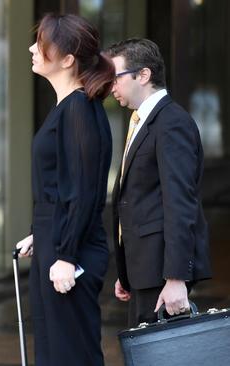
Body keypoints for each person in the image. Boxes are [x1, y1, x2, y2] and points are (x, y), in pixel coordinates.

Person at [15, 14, 114, 365]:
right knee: (54, 350)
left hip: (69, 252)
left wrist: (68, 255)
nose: (31, 48)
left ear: (68, 59)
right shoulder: (68, 106)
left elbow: (84, 191)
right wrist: (36, 232)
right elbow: (59, 185)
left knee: (69, 353)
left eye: (40, 44)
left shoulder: (79, 109)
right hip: (54, 242)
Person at [105, 38, 211, 327]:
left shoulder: (171, 122)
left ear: (143, 75)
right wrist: (127, 271)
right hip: (144, 270)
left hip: (162, 274)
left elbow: (180, 203)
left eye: (115, 77)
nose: (110, 86)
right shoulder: (141, 121)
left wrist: (176, 278)